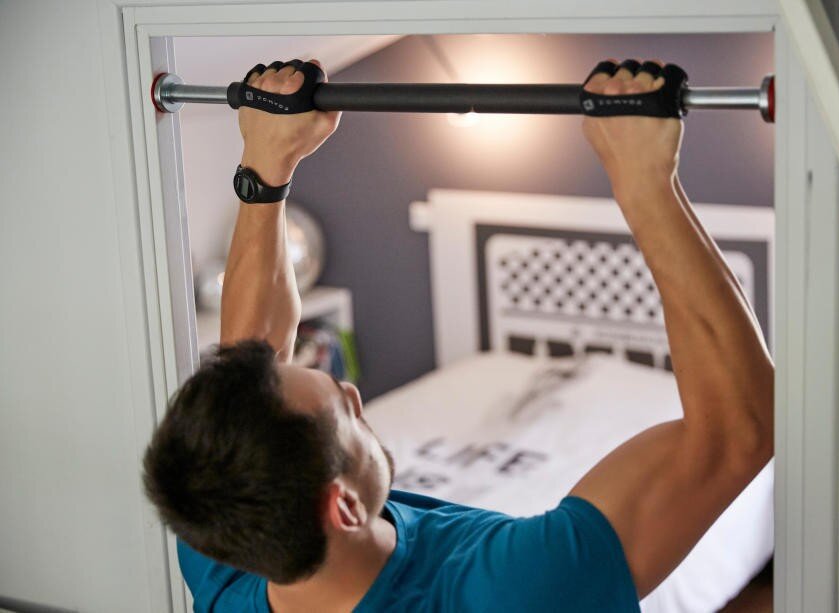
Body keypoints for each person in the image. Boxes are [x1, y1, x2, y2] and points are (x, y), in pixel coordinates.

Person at [143, 57, 773, 612]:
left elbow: (250, 360)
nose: (355, 394)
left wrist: (264, 168)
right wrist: (645, 184)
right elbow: (737, 429)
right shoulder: (508, 588)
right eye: (345, 411)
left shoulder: (222, 542)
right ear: (345, 508)